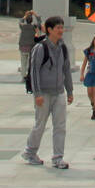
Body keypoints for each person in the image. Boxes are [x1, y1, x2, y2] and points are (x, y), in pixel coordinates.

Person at [21, 16, 74, 169]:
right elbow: (34, 72)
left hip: (59, 92)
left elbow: (66, 70)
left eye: (62, 27)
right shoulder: (40, 48)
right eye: (58, 27)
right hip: (43, 93)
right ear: (49, 29)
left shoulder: (63, 48)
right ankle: (30, 152)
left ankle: (58, 157)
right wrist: (37, 93)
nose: (60, 31)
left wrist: (69, 90)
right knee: (40, 124)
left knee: (60, 126)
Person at [18, 11, 42, 84]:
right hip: (31, 47)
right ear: (31, 20)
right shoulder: (34, 27)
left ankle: (23, 77)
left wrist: (25, 15)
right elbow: (39, 21)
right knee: (30, 63)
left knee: (23, 63)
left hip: (23, 46)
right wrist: (35, 14)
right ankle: (30, 76)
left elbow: (20, 21)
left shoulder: (23, 26)